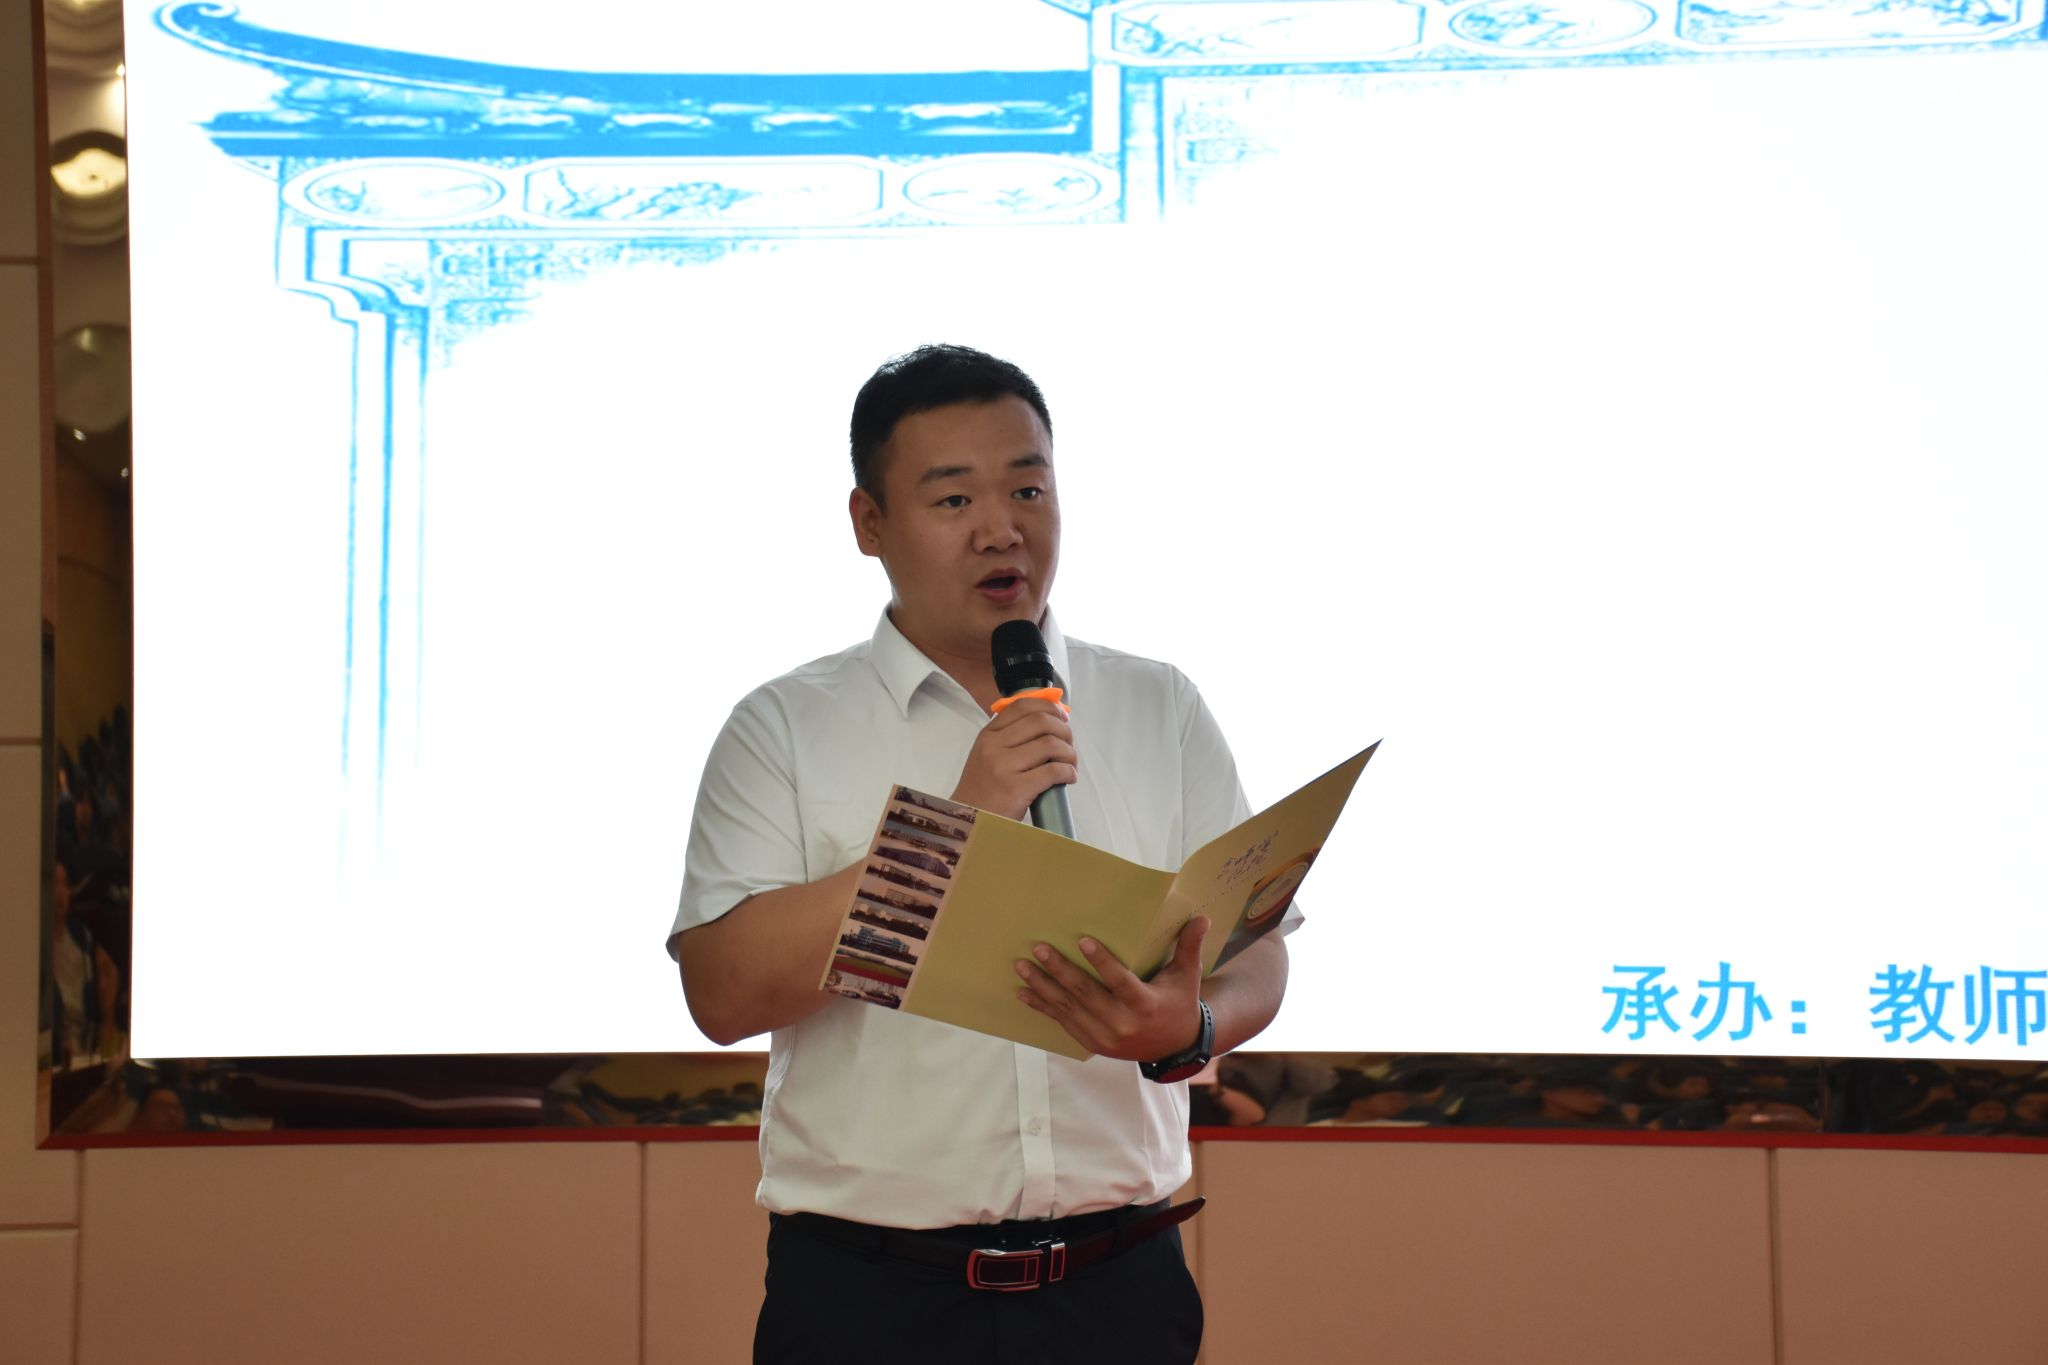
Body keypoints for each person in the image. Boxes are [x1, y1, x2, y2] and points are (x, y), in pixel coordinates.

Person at [667, 344, 1294, 1365]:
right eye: (954, 499)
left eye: (1027, 489)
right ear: (870, 523)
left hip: (1119, 1289)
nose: (1002, 528)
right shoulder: (782, 727)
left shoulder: (1158, 705)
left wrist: (1195, 1023)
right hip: (872, 1301)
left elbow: (1256, 945)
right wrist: (947, 827)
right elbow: (723, 993)